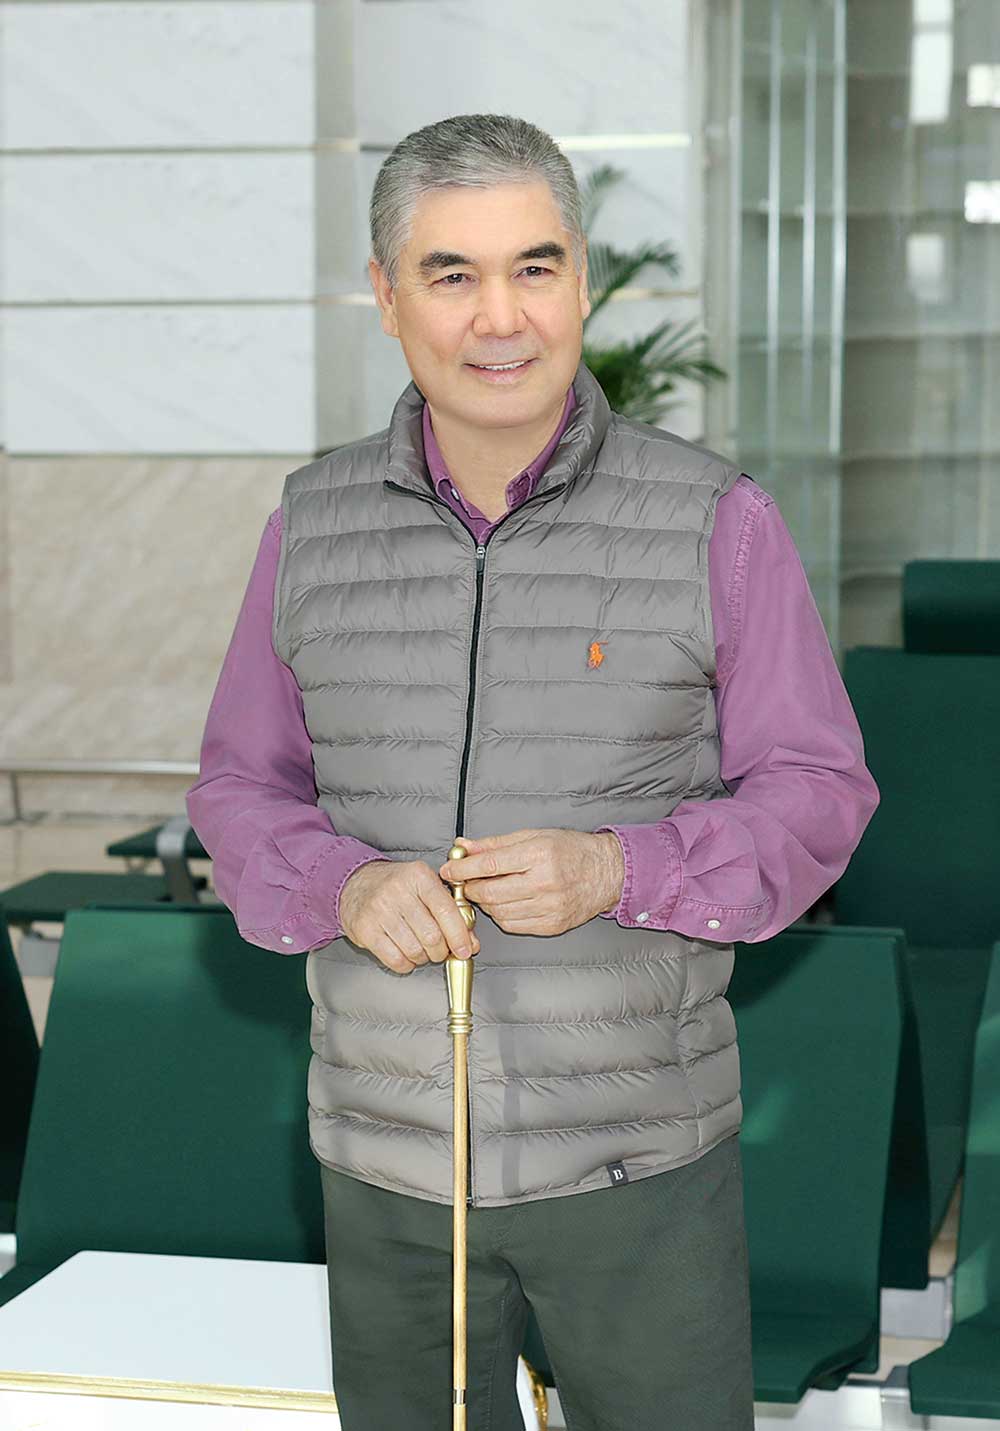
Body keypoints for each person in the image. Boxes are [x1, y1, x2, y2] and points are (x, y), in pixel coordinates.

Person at [186, 112, 879, 1431]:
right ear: (387, 295)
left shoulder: (715, 519)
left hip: (638, 1166)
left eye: (536, 267)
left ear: (583, 282)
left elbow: (817, 788)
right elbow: (238, 786)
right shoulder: (312, 524)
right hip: (383, 1167)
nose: (500, 318)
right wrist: (340, 886)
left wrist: (621, 870)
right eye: (451, 273)